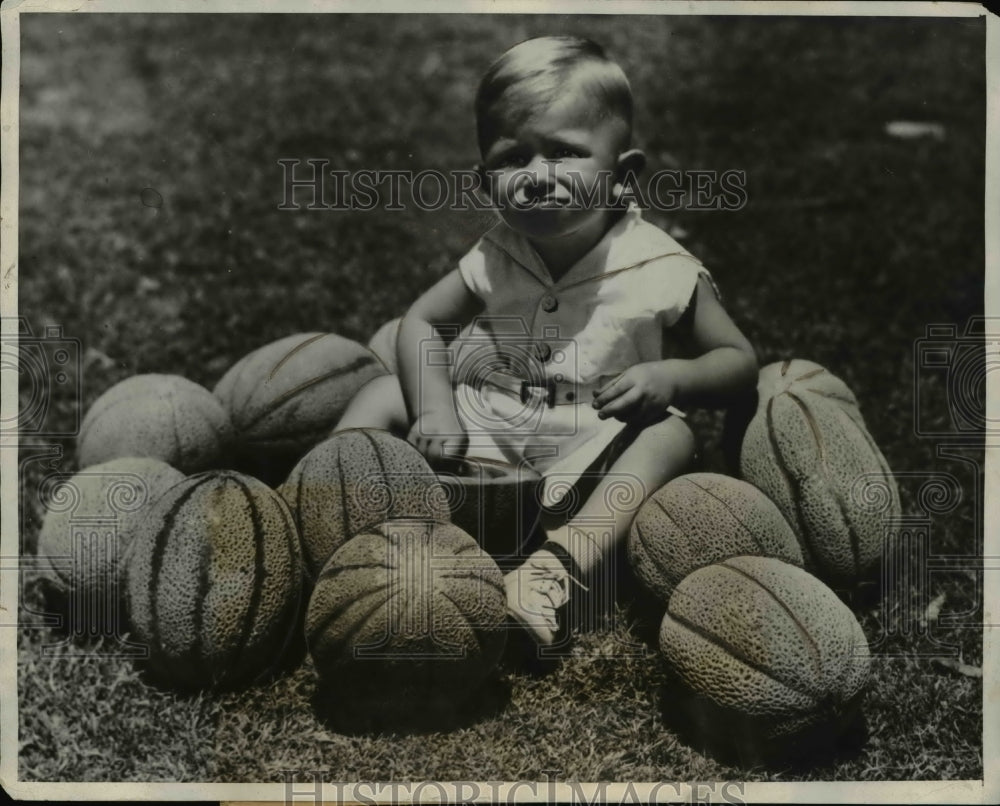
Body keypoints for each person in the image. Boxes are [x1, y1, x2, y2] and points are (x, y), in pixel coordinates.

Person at [336, 35, 757, 648]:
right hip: (491, 427)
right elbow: (421, 321)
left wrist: (672, 378)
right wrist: (434, 409)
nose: (537, 176)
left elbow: (738, 361)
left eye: (563, 153)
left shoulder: (660, 267)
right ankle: (323, 520)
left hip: (590, 449)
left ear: (622, 175)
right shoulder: (498, 253)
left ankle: (554, 569)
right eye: (513, 159)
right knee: (380, 393)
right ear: (485, 183)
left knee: (671, 435)